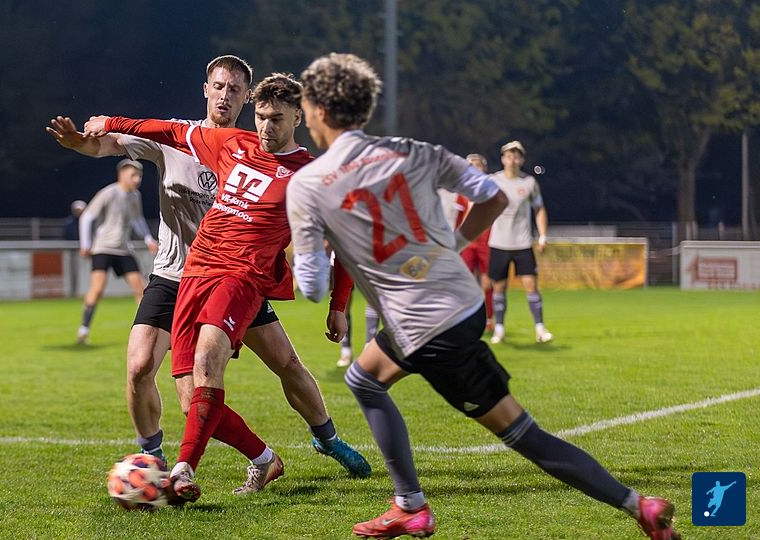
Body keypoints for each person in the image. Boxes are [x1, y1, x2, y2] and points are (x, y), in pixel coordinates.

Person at [287, 52, 678, 540]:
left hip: (427, 327)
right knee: (364, 377)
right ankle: (408, 504)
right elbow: (493, 197)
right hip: (462, 303)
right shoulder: (413, 150)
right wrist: (451, 245)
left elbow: (312, 287)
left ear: (320, 110)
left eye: (306, 105)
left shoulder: (307, 185)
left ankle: (638, 506)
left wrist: (321, 242)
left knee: (521, 433)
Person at [48, 56, 369, 496]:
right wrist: (82, 142)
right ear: (206, 89)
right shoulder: (198, 139)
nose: (225, 95)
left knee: (286, 364)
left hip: (240, 278)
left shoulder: (279, 160)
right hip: (178, 275)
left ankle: (326, 438)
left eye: (235, 90)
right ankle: (164, 459)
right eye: (218, 86)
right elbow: (111, 144)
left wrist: (338, 306)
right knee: (146, 370)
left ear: (247, 97)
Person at [75, 159, 159, 344]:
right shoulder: (109, 193)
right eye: (133, 175)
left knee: (141, 288)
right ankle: (84, 329)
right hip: (103, 248)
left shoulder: (135, 196)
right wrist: (85, 244)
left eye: (139, 176)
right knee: (97, 289)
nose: (137, 179)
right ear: (122, 175)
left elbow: (137, 219)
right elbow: (87, 217)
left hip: (123, 249)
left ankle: (145, 331)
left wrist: (148, 239)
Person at [487, 141, 552, 344]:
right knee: (499, 287)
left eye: (516, 156)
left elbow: (539, 209)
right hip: (499, 242)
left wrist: (542, 235)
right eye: (509, 156)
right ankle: (499, 328)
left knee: (531, 285)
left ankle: (540, 328)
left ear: (522, 160)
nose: (512, 160)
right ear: (502, 159)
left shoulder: (529, 182)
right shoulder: (493, 181)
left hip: (522, 243)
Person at [460, 154, 495, 329]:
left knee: (487, 280)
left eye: (477, 165)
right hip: (466, 240)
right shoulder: (460, 191)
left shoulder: (490, 189)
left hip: (485, 239)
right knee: (465, 280)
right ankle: (467, 317)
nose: (474, 168)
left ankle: (488, 317)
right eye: (471, 165)